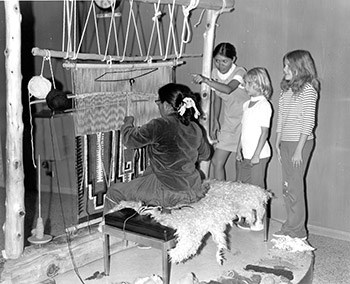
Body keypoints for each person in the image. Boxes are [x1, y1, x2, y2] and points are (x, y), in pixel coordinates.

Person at [103, 83, 212, 215]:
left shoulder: (159, 124)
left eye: (158, 102)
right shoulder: (194, 127)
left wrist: (127, 123)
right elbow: (206, 154)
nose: (158, 106)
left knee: (114, 192)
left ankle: (111, 230)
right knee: (148, 173)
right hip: (193, 188)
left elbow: (129, 140)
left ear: (166, 105)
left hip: (168, 193)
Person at [273, 50, 320, 240]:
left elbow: (309, 122)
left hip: (299, 144)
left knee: (294, 187)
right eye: (284, 65)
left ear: (300, 67)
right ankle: (290, 225)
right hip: (286, 142)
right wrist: (277, 141)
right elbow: (282, 116)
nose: (284, 69)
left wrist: (299, 150)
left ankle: (298, 232)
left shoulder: (308, 89)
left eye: (288, 66)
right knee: (287, 186)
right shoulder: (286, 89)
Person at [192, 42, 249, 181]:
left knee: (241, 163)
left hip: (246, 121)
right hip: (229, 121)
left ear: (233, 59)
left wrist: (206, 80)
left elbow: (228, 88)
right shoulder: (214, 73)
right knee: (217, 162)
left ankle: (240, 196)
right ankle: (221, 194)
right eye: (217, 60)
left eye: (224, 61)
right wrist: (215, 120)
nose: (220, 65)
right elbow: (217, 97)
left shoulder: (240, 72)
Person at [235, 67, 273, 231]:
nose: (245, 86)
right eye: (245, 83)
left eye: (249, 83)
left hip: (259, 154)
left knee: (256, 189)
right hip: (245, 153)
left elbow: (264, 132)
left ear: (259, 85)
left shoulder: (264, 105)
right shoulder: (246, 105)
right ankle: (246, 217)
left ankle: (258, 220)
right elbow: (243, 130)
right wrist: (238, 149)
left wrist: (256, 154)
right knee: (244, 187)